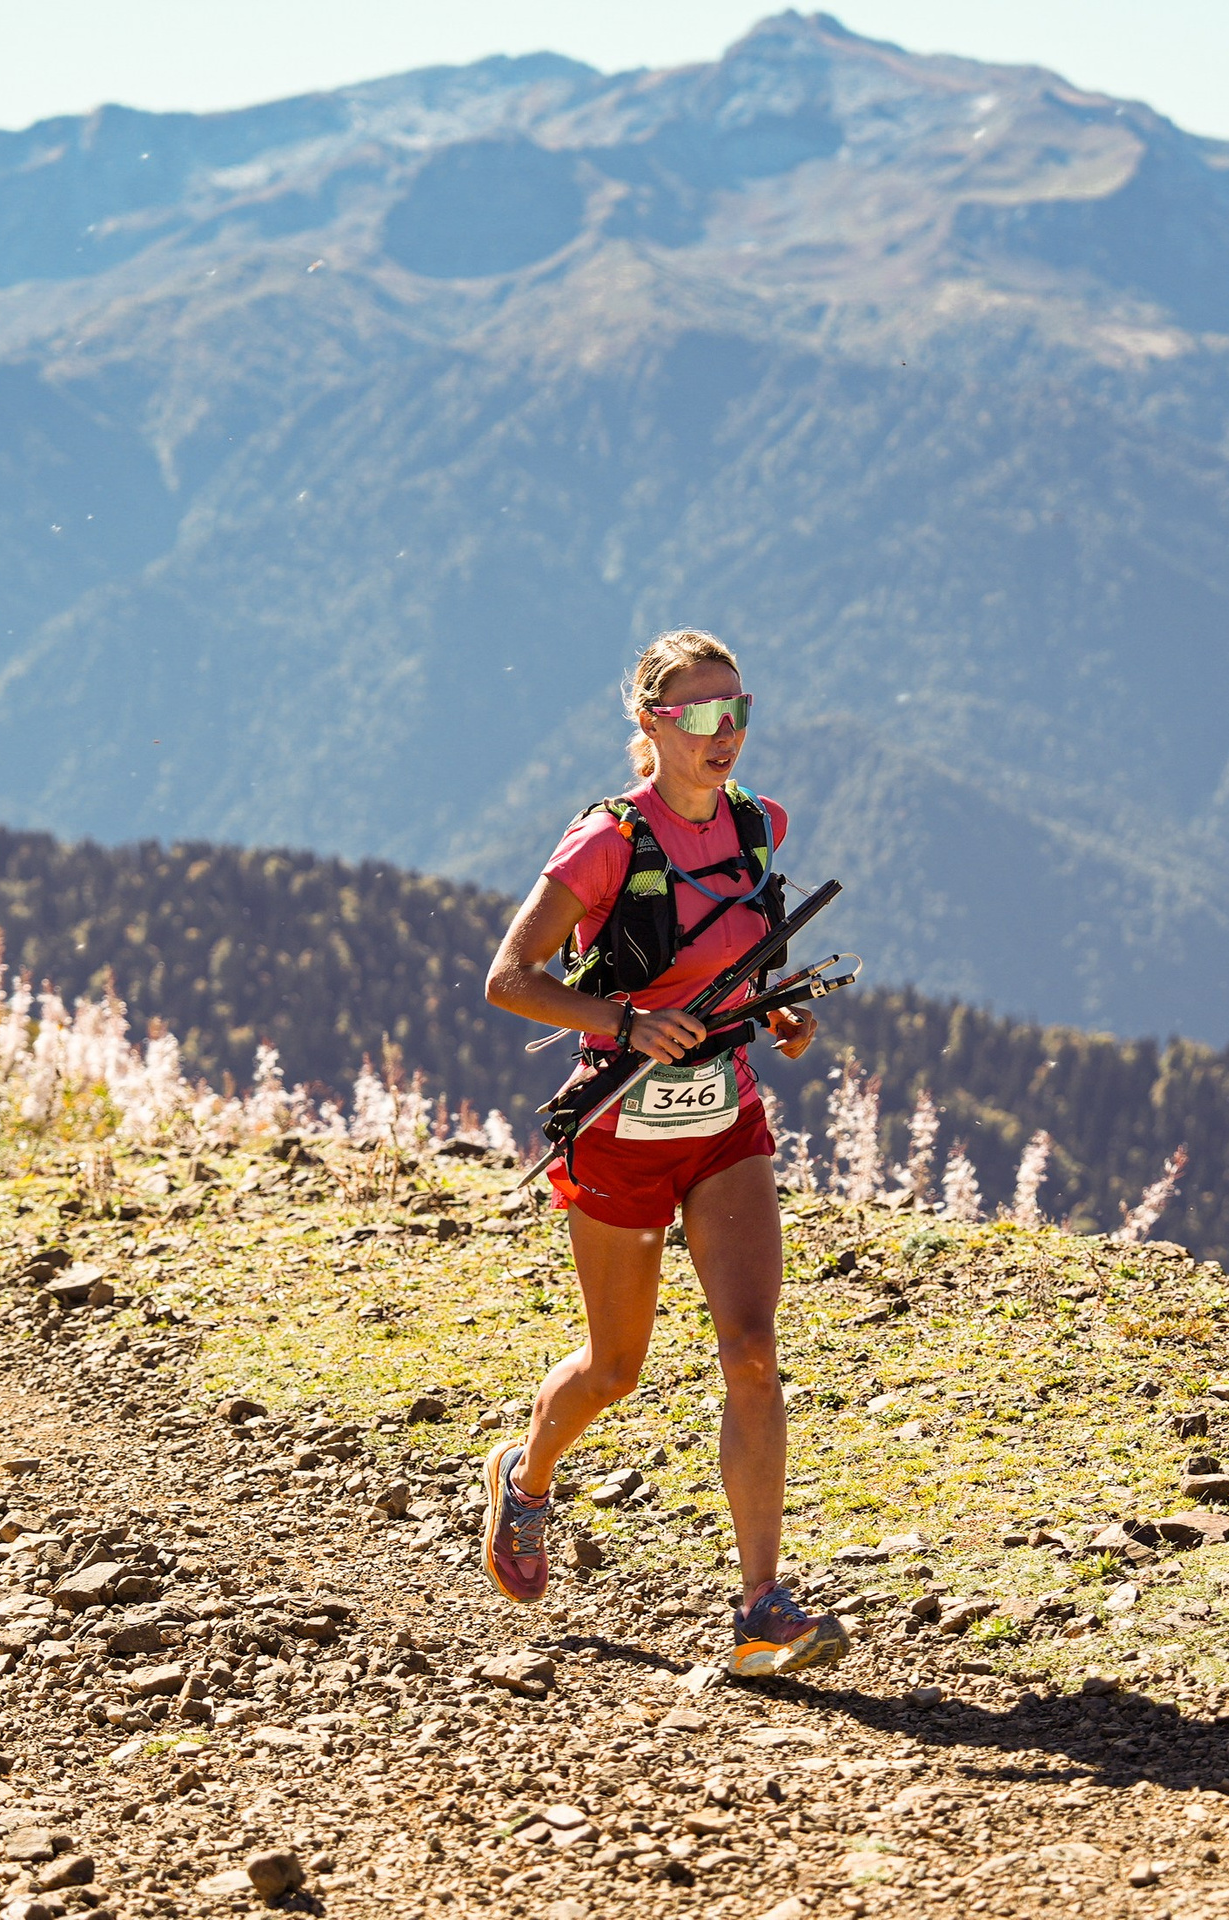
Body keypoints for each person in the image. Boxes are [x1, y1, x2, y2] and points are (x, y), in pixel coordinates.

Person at [480, 628, 850, 1678]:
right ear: (652, 722)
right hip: (620, 1134)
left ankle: (762, 1607)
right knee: (615, 1368)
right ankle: (526, 1476)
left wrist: (775, 1015)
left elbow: (737, 965)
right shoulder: (605, 842)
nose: (725, 731)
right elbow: (509, 979)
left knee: (753, 1352)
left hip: (724, 1126)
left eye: (739, 708)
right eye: (701, 713)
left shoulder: (758, 825)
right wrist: (628, 1024)